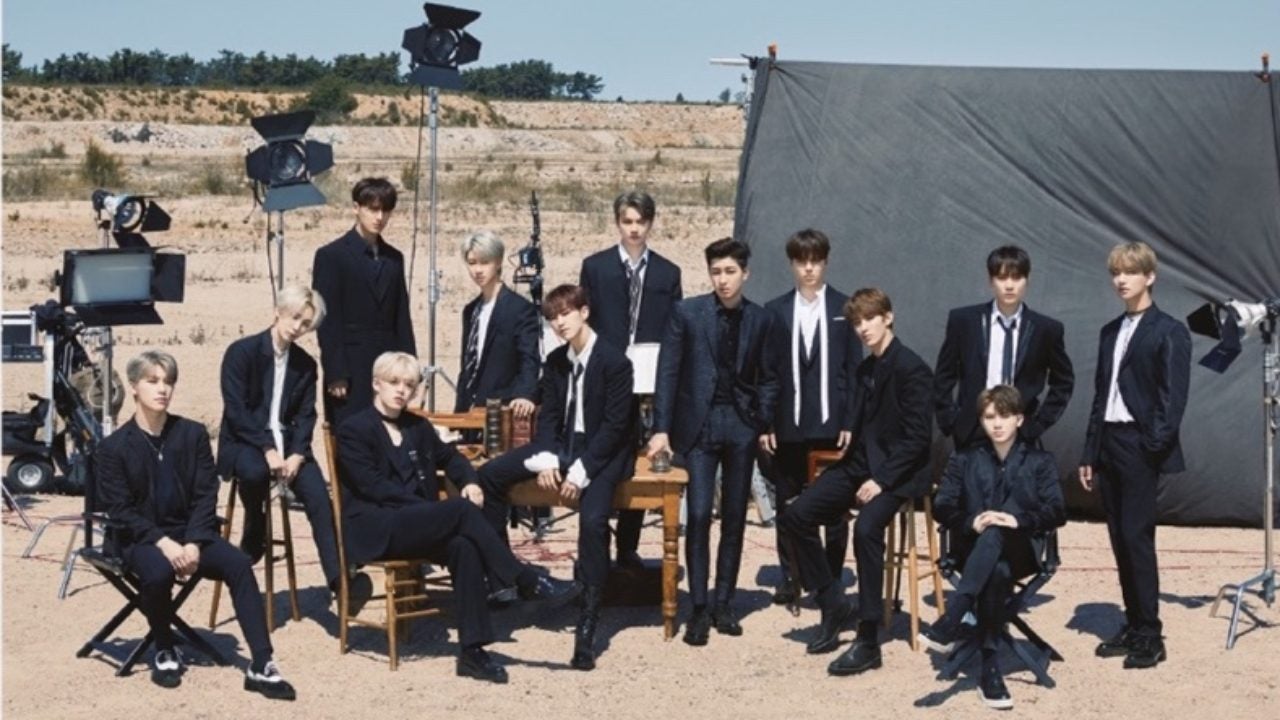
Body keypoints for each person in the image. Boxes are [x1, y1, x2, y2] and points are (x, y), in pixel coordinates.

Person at [335, 351, 579, 683]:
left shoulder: (417, 426)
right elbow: (374, 487)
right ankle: (523, 579)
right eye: (393, 382)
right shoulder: (354, 429)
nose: (401, 390)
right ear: (376, 384)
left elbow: (452, 458)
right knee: (460, 512)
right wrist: (432, 511)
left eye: (408, 384)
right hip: (377, 527)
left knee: (464, 545)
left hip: (416, 523)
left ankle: (472, 653)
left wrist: (470, 482)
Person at [96, 351, 296, 700]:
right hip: (138, 538)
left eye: (168, 381)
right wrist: (164, 543)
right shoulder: (113, 447)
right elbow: (121, 510)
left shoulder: (192, 434)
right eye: (153, 381)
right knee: (158, 571)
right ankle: (164, 646)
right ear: (134, 387)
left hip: (190, 534)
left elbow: (206, 494)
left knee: (238, 564)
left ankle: (261, 663)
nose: (162, 389)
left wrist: (193, 542)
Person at [476, 284, 635, 670]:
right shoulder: (556, 360)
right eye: (552, 318)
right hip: (563, 445)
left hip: (604, 451)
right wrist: (547, 459)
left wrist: (580, 473)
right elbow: (547, 418)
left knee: (593, 521)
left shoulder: (615, 361)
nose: (559, 323)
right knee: (490, 476)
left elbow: (615, 428)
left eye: (565, 313)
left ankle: (588, 623)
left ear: (584, 311)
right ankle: (508, 578)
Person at [777, 288, 933, 676]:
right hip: (858, 466)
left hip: (898, 473)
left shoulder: (912, 369)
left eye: (870, 319)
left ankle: (867, 638)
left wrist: (881, 480)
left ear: (888, 317)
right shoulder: (865, 370)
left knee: (866, 529)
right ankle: (832, 603)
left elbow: (917, 440)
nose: (863, 328)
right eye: (857, 322)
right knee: (795, 515)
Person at [647, 238, 775, 645]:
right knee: (700, 514)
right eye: (716, 272)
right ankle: (698, 607)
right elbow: (667, 372)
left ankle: (724, 603)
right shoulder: (687, 312)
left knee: (735, 516)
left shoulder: (760, 318)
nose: (723, 280)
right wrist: (661, 428)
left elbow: (770, 377)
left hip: (741, 426)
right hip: (698, 427)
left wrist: (761, 421)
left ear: (745, 273)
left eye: (730, 272)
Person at [1078, 241, 1191, 670]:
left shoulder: (1169, 330)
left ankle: (1150, 634)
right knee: (1119, 539)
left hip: (1139, 446)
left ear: (1150, 276)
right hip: (1108, 443)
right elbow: (1100, 396)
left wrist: (1150, 446)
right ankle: (1133, 624)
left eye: (1130, 272)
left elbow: (1172, 399)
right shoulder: (1110, 331)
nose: (1121, 280)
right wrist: (1090, 451)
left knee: (1137, 538)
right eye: (1116, 273)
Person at [922, 385, 1066, 710]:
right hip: (972, 551)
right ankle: (990, 669)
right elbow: (942, 505)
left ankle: (954, 615)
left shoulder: (1040, 461)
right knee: (995, 563)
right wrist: (971, 521)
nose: (997, 424)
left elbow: (1057, 510)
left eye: (1004, 416)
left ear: (1019, 419)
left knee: (998, 532)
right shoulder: (964, 458)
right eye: (989, 417)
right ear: (981, 421)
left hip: (1022, 551)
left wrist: (1017, 521)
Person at [216, 285, 342, 603]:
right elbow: (236, 411)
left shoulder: (306, 365)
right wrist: (267, 449)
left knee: (319, 497)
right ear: (278, 312)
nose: (298, 327)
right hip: (245, 441)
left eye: (306, 323)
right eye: (295, 317)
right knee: (254, 472)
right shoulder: (241, 352)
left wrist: (298, 453)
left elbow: (306, 414)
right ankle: (255, 527)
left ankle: (339, 580)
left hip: (289, 445)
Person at [579, 190, 682, 568]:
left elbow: (675, 329)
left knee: (641, 458)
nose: (634, 229)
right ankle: (596, 545)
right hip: (608, 377)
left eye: (641, 222)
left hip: (649, 379)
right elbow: (585, 322)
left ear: (650, 223)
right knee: (605, 453)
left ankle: (628, 547)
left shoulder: (668, 273)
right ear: (617, 222)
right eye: (627, 221)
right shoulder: (596, 267)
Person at [759, 228, 861, 605]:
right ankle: (791, 576)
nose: (808, 269)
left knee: (833, 507)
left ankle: (830, 578)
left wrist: (850, 421)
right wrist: (767, 423)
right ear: (791, 264)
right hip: (789, 424)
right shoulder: (775, 311)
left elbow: (854, 371)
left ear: (825, 262)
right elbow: (768, 372)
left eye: (815, 261)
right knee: (787, 501)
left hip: (831, 424)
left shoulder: (844, 308)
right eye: (801, 261)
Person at [934, 245, 1074, 450]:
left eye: (1016, 278)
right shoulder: (964, 321)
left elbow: (1064, 381)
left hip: (1020, 432)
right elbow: (944, 374)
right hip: (973, 429)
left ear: (1027, 279)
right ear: (991, 281)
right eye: (1001, 277)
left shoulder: (1045, 329)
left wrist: (1038, 424)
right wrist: (950, 420)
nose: (1009, 285)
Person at [313, 177, 416, 427]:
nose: (379, 217)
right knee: (352, 434)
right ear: (356, 208)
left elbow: (401, 317)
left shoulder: (394, 259)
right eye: (373, 209)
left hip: (389, 369)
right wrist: (336, 372)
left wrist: (410, 371)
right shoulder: (331, 256)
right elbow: (328, 320)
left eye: (386, 210)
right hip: (351, 369)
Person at [455, 230, 539, 418]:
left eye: (485, 262)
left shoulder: (520, 309)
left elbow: (529, 358)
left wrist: (525, 394)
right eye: (472, 263)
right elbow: (468, 365)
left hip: (503, 408)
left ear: (499, 262)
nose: (478, 270)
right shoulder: (470, 311)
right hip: (469, 410)